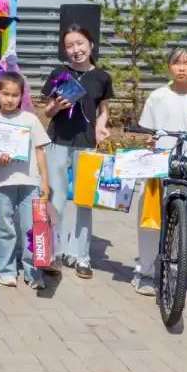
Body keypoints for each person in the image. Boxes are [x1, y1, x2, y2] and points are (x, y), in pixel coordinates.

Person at [134, 46, 187, 296]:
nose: (182, 68)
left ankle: (179, 269)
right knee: (151, 218)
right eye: (176, 63)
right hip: (158, 167)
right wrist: (148, 142)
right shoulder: (158, 96)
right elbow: (146, 133)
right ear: (169, 67)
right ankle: (146, 272)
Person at [41, 25, 112, 280]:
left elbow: (103, 109)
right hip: (58, 142)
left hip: (86, 146)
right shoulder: (59, 73)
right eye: (69, 46)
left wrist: (101, 127)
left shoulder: (102, 77)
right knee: (56, 199)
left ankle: (83, 257)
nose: (75, 50)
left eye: (80, 43)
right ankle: (53, 254)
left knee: (84, 202)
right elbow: (46, 111)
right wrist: (56, 107)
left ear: (91, 44)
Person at [0, 73, 50, 290]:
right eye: (5, 94)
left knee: (31, 228)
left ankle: (33, 271)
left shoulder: (30, 119)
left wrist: (45, 182)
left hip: (30, 181)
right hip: (2, 181)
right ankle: (6, 270)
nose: (10, 99)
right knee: (5, 227)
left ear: (21, 96)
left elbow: (40, 152)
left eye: (15, 95)